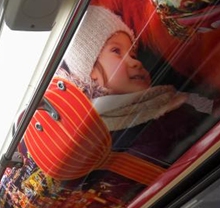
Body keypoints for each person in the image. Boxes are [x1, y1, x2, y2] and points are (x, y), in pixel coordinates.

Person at [60, 6, 212, 167]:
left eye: (133, 54)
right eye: (116, 51)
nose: (136, 62)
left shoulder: (167, 98)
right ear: (90, 70)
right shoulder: (111, 136)